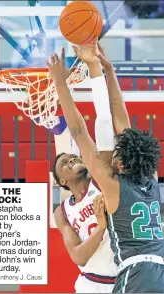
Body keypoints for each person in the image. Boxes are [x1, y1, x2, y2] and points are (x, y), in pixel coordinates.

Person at [46, 42, 164, 293]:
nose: (113, 153)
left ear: (122, 162)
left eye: (116, 154)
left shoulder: (112, 185)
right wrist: (109, 71)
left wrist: (60, 82)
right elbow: (121, 121)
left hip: (136, 275)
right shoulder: (150, 177)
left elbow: (79, 131)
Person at [53, 49, 120, 293]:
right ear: (62, 181)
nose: (71, 159)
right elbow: (78, 256)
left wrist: (94, 70)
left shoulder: (101, 181)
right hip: (91, 283)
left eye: (72, 157)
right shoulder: (62, 212)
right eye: (65, 164)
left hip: (124, 279)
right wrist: (101, 227)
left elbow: (93, 125)